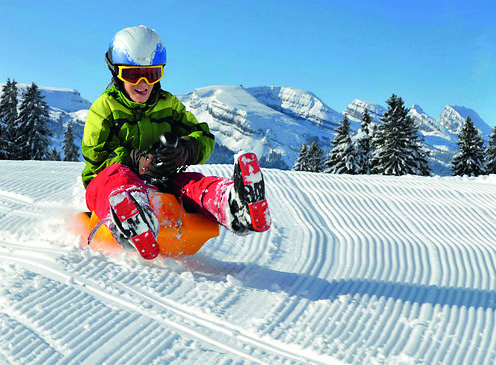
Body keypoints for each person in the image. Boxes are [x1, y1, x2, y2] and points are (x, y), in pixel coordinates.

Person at [81, 25, 271, 260]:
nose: (143, 83)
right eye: (132, 74)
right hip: (110, 185)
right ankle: (132, 216)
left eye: (151, 75)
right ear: (116, 72)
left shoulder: (168, 105)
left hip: (162, 182)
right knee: (115, 176)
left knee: (190, 183)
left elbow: (202, 136)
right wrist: (134, 160)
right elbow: (96, 157)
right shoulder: (104, 108)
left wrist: (185, 150)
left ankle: (232, 203)